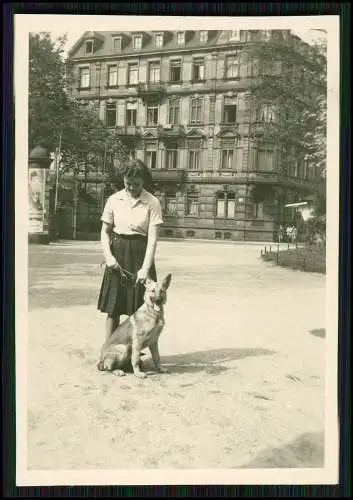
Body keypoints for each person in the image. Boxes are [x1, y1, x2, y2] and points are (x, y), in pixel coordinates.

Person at [97, 159, 164, 340]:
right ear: (123, 179)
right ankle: (109, 351)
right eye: (128, 183)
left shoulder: (152, 202)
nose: (132, 188)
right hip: (117, 253)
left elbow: (152, 238)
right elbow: (105, 232)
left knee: (139, 310)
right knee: (113, 308)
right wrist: (109, 258)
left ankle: (132, 354)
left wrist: (145, 268)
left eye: (137, 184)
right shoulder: (114, 199)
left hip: (141, 255)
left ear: (144, 181)